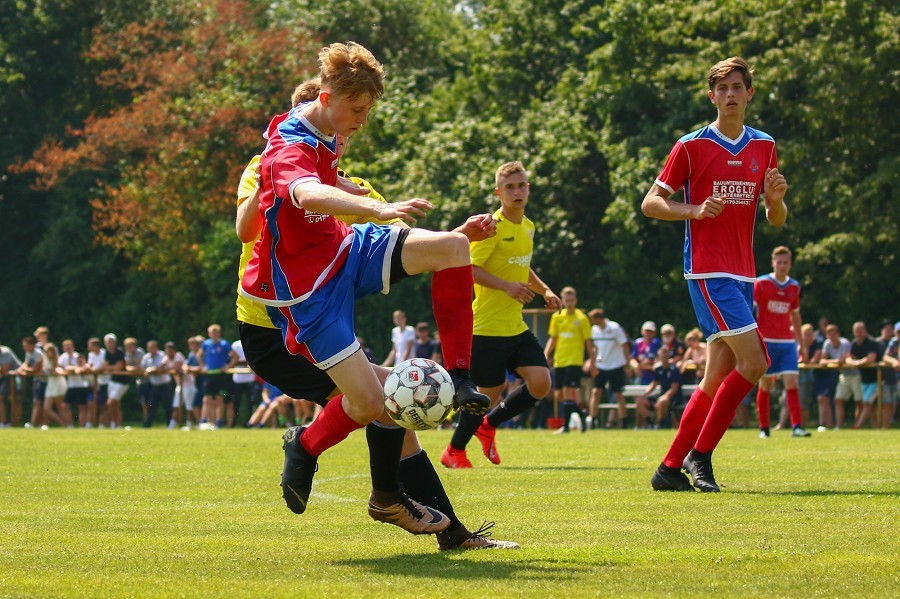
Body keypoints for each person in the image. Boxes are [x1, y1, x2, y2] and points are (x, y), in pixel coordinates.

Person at [234, 64, 514, 549]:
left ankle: (434, 507)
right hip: (279, 319)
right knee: (383, 404)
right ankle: (343, 471)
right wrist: (363, 206)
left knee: (447, 254)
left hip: (339, 261)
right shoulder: (279, 157)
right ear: (324, 104)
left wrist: (453, 240)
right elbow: (280, 205)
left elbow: (399, 234)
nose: (358, 126)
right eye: (355, 113)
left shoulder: (340, 169)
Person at [643, 56, 789, 492]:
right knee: (756, 361)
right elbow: (651, 202)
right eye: (722, 88)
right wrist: (693, 210)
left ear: (749, 94)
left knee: (717, 374)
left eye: (737, 87)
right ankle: (700, 456)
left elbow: (775, 218)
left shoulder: (764, 145)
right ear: (712, 97)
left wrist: (777, 200)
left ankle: (669, 469)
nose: (730, 95)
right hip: (708, 272)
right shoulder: (691, 146)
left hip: (744, 274)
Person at [440, 160, 560, 468]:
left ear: (528, 189)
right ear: (499, 193)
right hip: (486, 327)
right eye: (510, 187)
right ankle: (454, 451)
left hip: (515, 327)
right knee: (487, 395)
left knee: (541, 383)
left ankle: (489, 426)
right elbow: (470, 268)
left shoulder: (528, 226)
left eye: (521, 185)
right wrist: (506, 286)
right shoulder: (489, 227)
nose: (517, 191)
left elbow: (523, 264)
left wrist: (545, 290)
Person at [753, 246, 811, 438]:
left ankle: (797, 427)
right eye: (779, 262)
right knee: (766, 383)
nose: (782, 265)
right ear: (773, 263)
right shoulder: (761, 284)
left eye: (786, 262)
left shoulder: (794, 286)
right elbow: (750, 312)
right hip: (766, 340)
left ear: (790, 264)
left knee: (792, 382)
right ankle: (764, 428)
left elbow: (796, 316)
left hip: (787, 342)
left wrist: (801, 344)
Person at [544, 287, 593, 434]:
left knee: (567, 390)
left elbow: (588, 342)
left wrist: (591, 361)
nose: (569, 303)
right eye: (567, 300)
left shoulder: (582, 319)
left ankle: (565, 427)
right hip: (560, 360)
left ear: (576, 301)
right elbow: (553, 338)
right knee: (559, 394)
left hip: (575, 360)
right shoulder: (557, 317)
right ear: (562, 301)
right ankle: (580, 413)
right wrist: (546, 353)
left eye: (572, 300)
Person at [587, 308, 630, 429]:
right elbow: (594, 348)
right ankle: (593, 420)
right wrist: (592, 364)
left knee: (618, 394)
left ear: (599, 319)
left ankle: (624, 422)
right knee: (596, 392)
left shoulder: (615, 328)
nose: (592, 322)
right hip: (601, 366)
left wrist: (628, 364)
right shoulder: (594, 330)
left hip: (616, 366)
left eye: (593, 320)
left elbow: (624, 345)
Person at [638, 346, 683, 428]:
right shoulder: (658, 369)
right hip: (661, 394)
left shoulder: (674, 369)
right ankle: (650, 423)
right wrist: (645, 394)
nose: (664, 358)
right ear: (659, 357)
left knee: (663, 401)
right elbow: (654, 383)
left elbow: (674, 389)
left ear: (669, 356)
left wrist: (664, 397)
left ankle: (660, 424)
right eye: (662, 356)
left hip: (673, 397)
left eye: (666, 356)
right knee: (640, 401)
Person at [848, 322, 880, 429]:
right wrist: (852, 362)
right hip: (864, 379)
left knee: (867, 403)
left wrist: (857, 363)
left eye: (860, 331)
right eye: (856, 332)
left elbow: (871, 358)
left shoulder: (871, 342)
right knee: (870, 406)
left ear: (865, 331)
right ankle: (875, 427)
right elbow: (849, 357)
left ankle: (857, 426)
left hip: (876, 379)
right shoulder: (854, 343)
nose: (858, 334)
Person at [198, 324, 231, 429]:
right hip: (209, 375)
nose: (214, 335)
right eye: (212, 333)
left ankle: (219, 422)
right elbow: (199, 355)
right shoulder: (206, 344)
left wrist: (227, 366)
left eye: (216, 333)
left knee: (219, 399)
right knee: (206, 399)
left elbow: (235, 356)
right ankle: (204, 422)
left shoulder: (224, 344)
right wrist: (203, 366)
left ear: (219, 334)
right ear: (209, 334)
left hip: (220, 375)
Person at [141, 340, 172, 428]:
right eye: (149, 348)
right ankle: (147, 426)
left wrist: (151, 370)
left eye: (152, 348)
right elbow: (143, 369)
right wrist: (149, 370)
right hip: (154, 385)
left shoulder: (162, 356)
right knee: (151, 406)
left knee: (167, 406)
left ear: (156, 348)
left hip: (165, 385)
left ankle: (169, 425)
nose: (150, 349)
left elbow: (160, 368)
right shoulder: (146, 357)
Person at [60, 339, 89, 427]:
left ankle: (82, 426)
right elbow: (60, 367)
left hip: (80, 385)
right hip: (71, 385)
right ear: (64, 348)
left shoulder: (77, 356)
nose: (68, 349)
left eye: (70, 347)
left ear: (73, 347)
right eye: (66, 347)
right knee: (65, 406)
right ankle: (70, 426)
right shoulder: (63, 357)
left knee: (82, 407)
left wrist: (71, 368)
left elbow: (83, 366)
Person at [227, 339, 256, 427]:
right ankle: (233, 423)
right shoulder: (235, 344)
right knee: (236, 402)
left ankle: (251, 423)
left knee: (251, 402)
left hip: (250, 378)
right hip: (238, 378)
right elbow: (232, 358)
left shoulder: (250, 341)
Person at [18, 336, 46, 428]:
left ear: (32, 345)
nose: (24, 348)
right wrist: (22, 369)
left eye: (25, 346)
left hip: (45, 381)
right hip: (37, 380)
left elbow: (35, 369)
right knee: (37, 402)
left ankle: (38, 423)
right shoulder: (28, 352)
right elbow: (26, 364)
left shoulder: (38, 354)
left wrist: (25, 369)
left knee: (41, 403)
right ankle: (38, 423)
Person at [103, 334, 127, 429]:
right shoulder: (107, 353)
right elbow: (106, 367)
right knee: (116, 404)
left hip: (122, 381)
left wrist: (111, 368)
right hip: (113, 380)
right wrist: (113, 367)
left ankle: (114, 423)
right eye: (108, 342)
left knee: (110, 402)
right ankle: (117, 425)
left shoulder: (120, 352)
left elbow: (120, 367)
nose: (109, 344)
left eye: (111, 341)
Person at [84, 337, 108, 427]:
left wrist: (93, 369)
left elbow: (103, 366)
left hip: (106, 383)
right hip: (95, 384)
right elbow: (89, 365)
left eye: (89, 346)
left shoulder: (105, 353)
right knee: (91, 404)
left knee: (104, 405)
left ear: (95, 346)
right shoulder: (91, 354)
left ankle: (103, 424)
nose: (88, 348)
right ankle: (89, 424)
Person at [880, 322, 899, 429]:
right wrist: (894, 361)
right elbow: (885, 357)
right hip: (892, 378)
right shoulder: (894, 342)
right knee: (887, 403)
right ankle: (885, 428)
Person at [0, 344, 22, 427]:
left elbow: (5, 369)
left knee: (15, 400)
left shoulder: (5, 352)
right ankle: (3, 422)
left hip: (15, 377)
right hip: (4, 377)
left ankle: (12, 423)